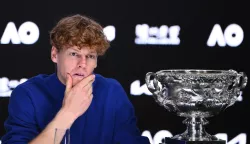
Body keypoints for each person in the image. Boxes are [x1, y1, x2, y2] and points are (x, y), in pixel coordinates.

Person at [1, 14, 150, 144]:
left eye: (90, 56)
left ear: (96, 61)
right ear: (54, 54)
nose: (83, 64)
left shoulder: (112, 92)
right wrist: (68, 113)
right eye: (74, 54)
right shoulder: (27, 94)